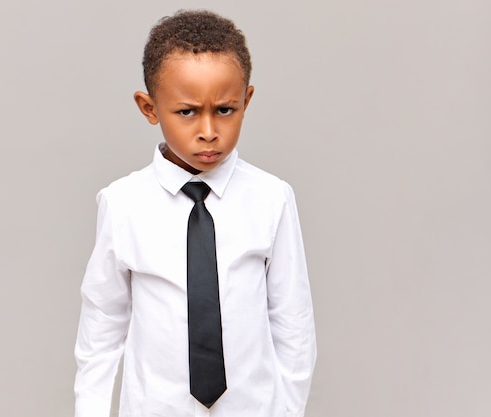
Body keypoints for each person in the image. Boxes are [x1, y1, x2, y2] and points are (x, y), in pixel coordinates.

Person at [74, 9, 316, 417]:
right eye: (186, 112)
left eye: (225, 109)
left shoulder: (272, 198)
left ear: (246, 100)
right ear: (149, 108)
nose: (208, 130)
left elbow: (293, 323)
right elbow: (102, 327)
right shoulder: (122, 204)